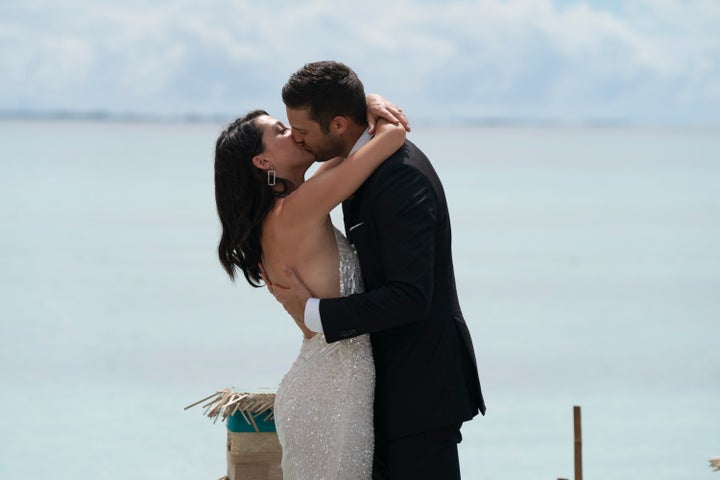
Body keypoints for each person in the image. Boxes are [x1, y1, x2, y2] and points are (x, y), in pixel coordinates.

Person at [267, 61, 486, 479]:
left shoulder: (400, 178)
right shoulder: (360, 162)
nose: (297, 139)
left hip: (420, 389)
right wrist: (368, 101)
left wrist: (313, 312)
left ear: (338, 124)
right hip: (379, 390)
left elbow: (411, 295)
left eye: (303, 131)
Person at [213, 96, 408, 479]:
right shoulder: (297, 210)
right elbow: (390, 136)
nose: (297, 133)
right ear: (263, 163)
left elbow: (350, 144)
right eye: (281, 131)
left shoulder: (292, 206)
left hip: (328, 386)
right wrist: (368, 105)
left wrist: (360, 104)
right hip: (332, 395)